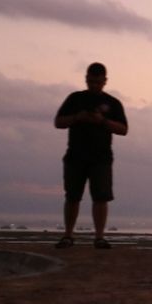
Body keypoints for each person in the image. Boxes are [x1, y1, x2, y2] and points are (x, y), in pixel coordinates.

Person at [53, 62, 128, 249]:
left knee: (101, 198)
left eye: (97, 82)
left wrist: (102, 121)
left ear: (104, 81)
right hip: (75, 156)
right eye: (91, 81)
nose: (94, 85)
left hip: (101, 158)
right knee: (72, 196)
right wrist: (77, 118)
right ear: (86, 79)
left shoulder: (113, 103)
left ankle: (99, 237)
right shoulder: (75, 99)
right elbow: (59, 122)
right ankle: (68, 235)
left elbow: (123, 129)